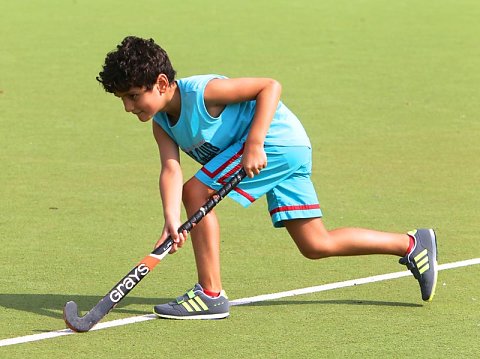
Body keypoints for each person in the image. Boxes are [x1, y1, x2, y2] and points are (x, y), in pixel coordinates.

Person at [96, 36, 438, 320]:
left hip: (275, 143)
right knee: (315, 244)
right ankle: (411, 244)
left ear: (160, 83)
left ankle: (211, 293)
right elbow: (170, 168)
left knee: (196, 191)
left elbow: (269, 87)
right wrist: (172, 220)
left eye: (132, 96)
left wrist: (256, 143)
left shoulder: (204, 92)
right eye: (122, 99)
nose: (128, 107)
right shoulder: (162, 123)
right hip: (288, 149)